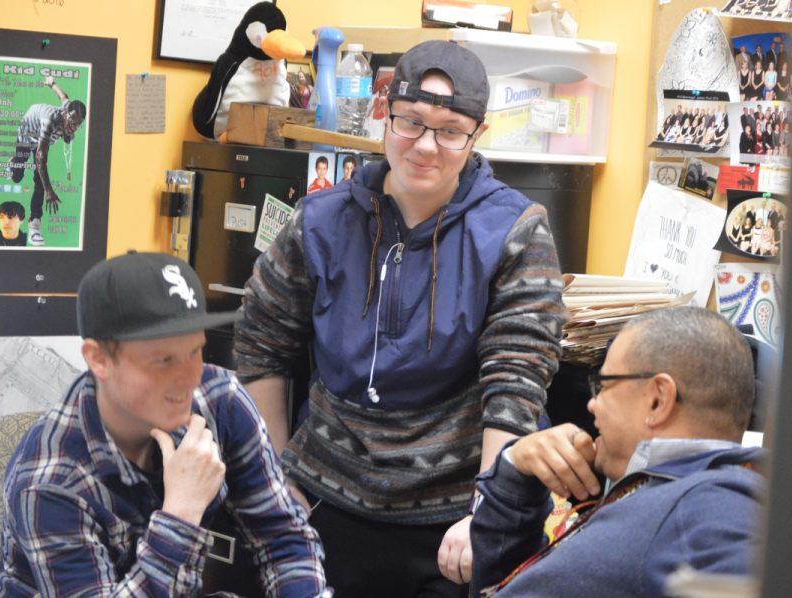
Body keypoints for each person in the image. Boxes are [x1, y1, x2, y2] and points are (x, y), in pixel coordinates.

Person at [233, 39, 566, 597]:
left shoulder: (516, 231)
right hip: (325, 501)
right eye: (410, 122)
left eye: (451, 130)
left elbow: (517, 381)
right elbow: (260, 344)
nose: (426, 146)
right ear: (385, 117)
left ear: (476, 136)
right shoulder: (320, 220)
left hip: (450, 523)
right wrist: (276, 482)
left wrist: (488, 509)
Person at [0, 251, 329, 597]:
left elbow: (282, 537)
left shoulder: (221, 400)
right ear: (99, 360)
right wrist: (181, 513)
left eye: (194, 351)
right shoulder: (49, 481)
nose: (188, 379)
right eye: (163, 359)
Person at [470, 307, 765, 597]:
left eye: (603, 385)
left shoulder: (709, 504)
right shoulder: (688, 492)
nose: (592, 404)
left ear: (657, 401)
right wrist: (515, 474)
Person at [9, 75, 86, 247]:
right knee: (18, 177)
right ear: (65, 115)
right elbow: (40, 160)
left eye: (78, 124)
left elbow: (63, 96)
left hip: (44, 136)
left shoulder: (69, 108)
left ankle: (34, 223)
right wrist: (49, 191)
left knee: (38, 181)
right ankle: (15, 161)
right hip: (29, 132)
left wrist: (52, 83)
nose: (74, 127)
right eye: (72, 122)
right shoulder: (50, 121)